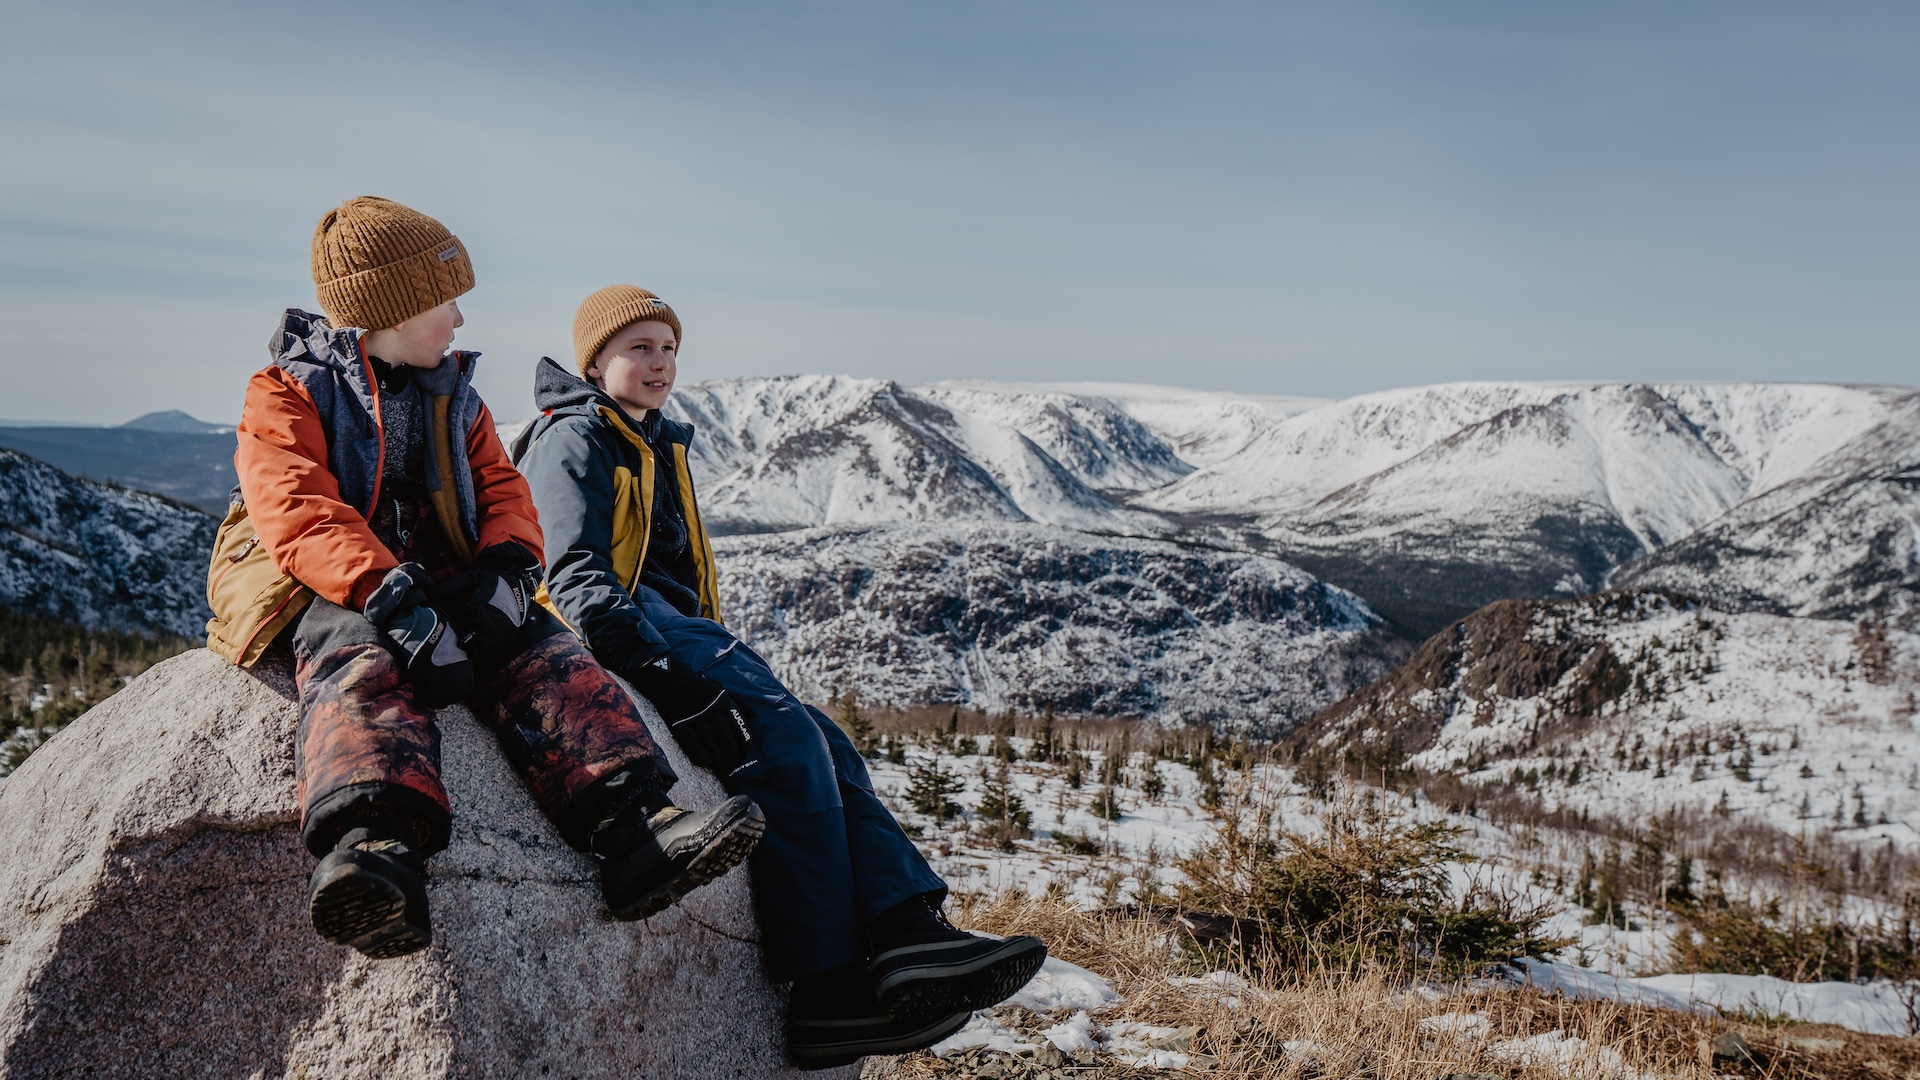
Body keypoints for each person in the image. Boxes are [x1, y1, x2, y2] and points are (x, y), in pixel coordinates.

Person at [208, 199, 764, 962]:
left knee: (544, 650)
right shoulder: (286, 391)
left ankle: (638, 829)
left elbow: (503, 490)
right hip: (321, 576)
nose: (462, 318)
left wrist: (508, 571)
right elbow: (295, 506)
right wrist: (387, 597)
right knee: (357, 657)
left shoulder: (455, 397)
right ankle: (373, 849)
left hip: (432, 565)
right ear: (395, 308)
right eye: (447, 300)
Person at [514, 285, 1049, 1069]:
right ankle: (827, 990)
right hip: (627, 622)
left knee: (826, 742)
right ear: (595, 363)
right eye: (639, 348)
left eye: (668, 348)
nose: (659, 363)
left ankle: (908, 928)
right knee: (784, 745)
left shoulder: (653, 436)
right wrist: (664, 673)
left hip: (676, 620)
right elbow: (571, 576)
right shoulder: (575, 437)